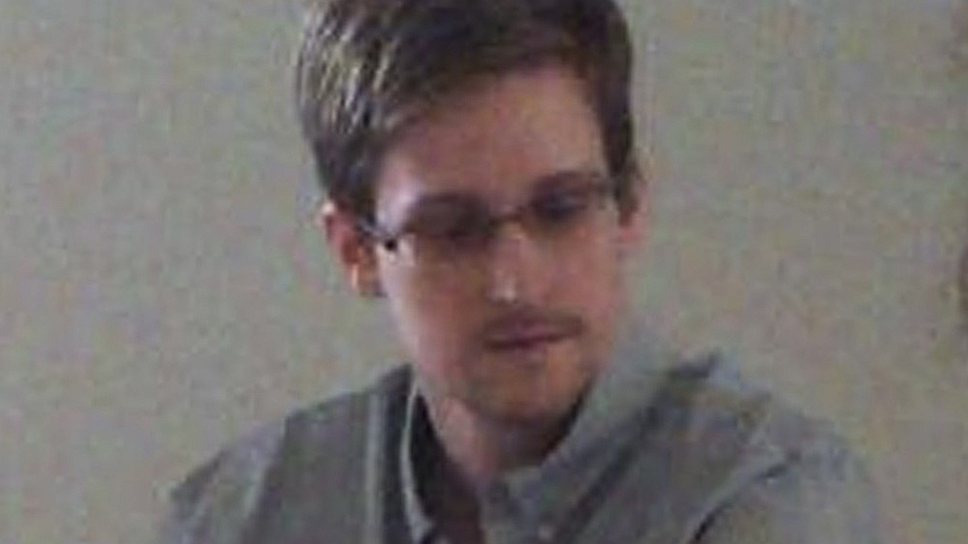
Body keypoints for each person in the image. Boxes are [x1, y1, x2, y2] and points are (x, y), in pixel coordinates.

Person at [158, 0, 880, 542]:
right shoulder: (241, 516)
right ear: (356, 249)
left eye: (561, 209)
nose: (515, 283)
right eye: (452, 229)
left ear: (628, 207)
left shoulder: (769, 496)